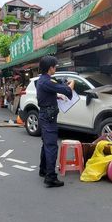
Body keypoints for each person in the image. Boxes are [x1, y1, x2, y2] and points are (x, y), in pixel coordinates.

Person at [36, 56, 74, 188]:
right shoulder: (46, 81)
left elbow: (46, 94)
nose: (56, 68)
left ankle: (44, 170)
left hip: (45, 115)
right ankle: (51, 177)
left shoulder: (42, 80)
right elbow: (67, 90)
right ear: (50, 67)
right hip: (48, 117)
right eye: (55, 66)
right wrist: (71, 84)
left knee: (46, 144)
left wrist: (56, 95)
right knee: (51, 146)